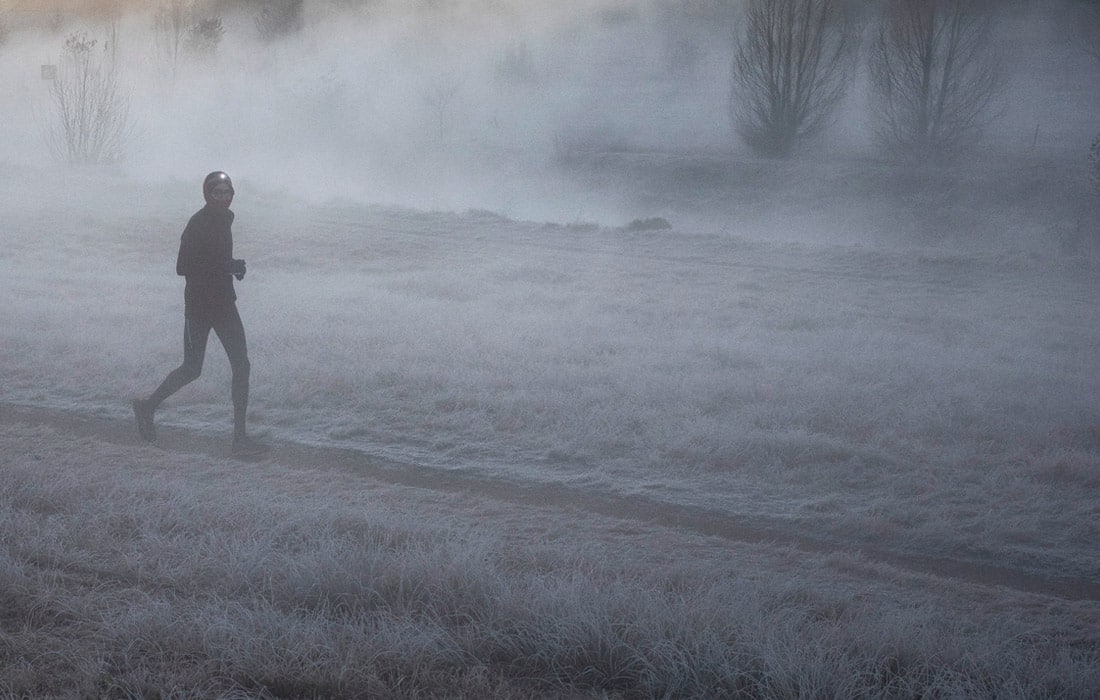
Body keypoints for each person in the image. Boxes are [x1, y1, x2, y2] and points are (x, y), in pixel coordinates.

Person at [133, 171, 267, 457]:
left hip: (224, 304)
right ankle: (146, 407)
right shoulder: (198, 223)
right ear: (207, 194)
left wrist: (231, 266)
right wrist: (224, 267)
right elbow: (183, 267)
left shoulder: (224, 220)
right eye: (217, 192)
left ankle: (239, 439)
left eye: (226, 192)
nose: (222, 197)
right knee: (192, 368)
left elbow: (214, 260)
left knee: (241, 365)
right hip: (199, 307)